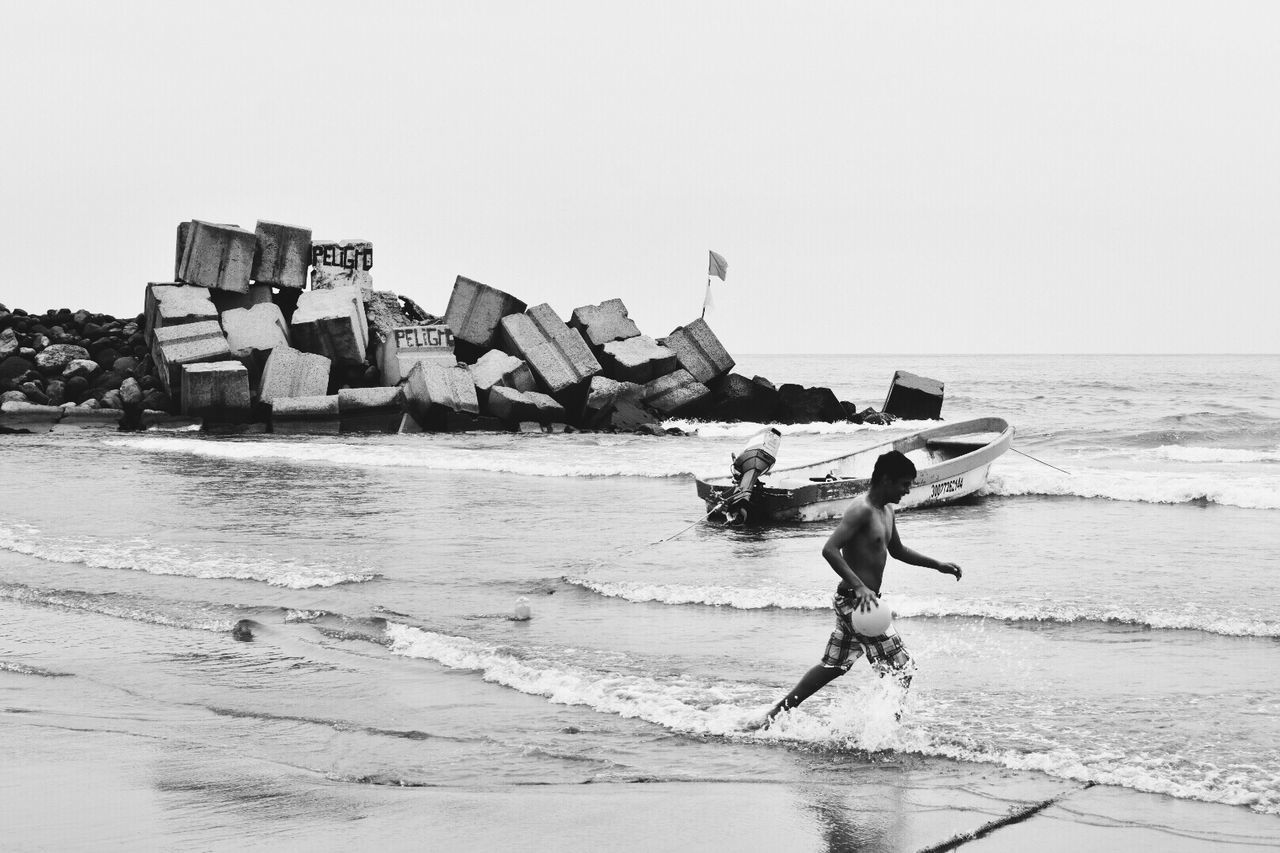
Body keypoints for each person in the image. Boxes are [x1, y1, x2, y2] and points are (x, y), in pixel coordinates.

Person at [756, 450, 962, 728]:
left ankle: (774, 715)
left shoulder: (887, 509)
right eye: (904, 484)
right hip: (858, 604)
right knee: (903, 669)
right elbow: (829, 549)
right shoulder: (861, 509)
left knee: (833, 667)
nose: (907, 490)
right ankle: (889, 729)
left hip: (860, 602)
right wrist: (861, 587)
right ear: (886, 480)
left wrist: (937, 564)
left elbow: (898, 550)